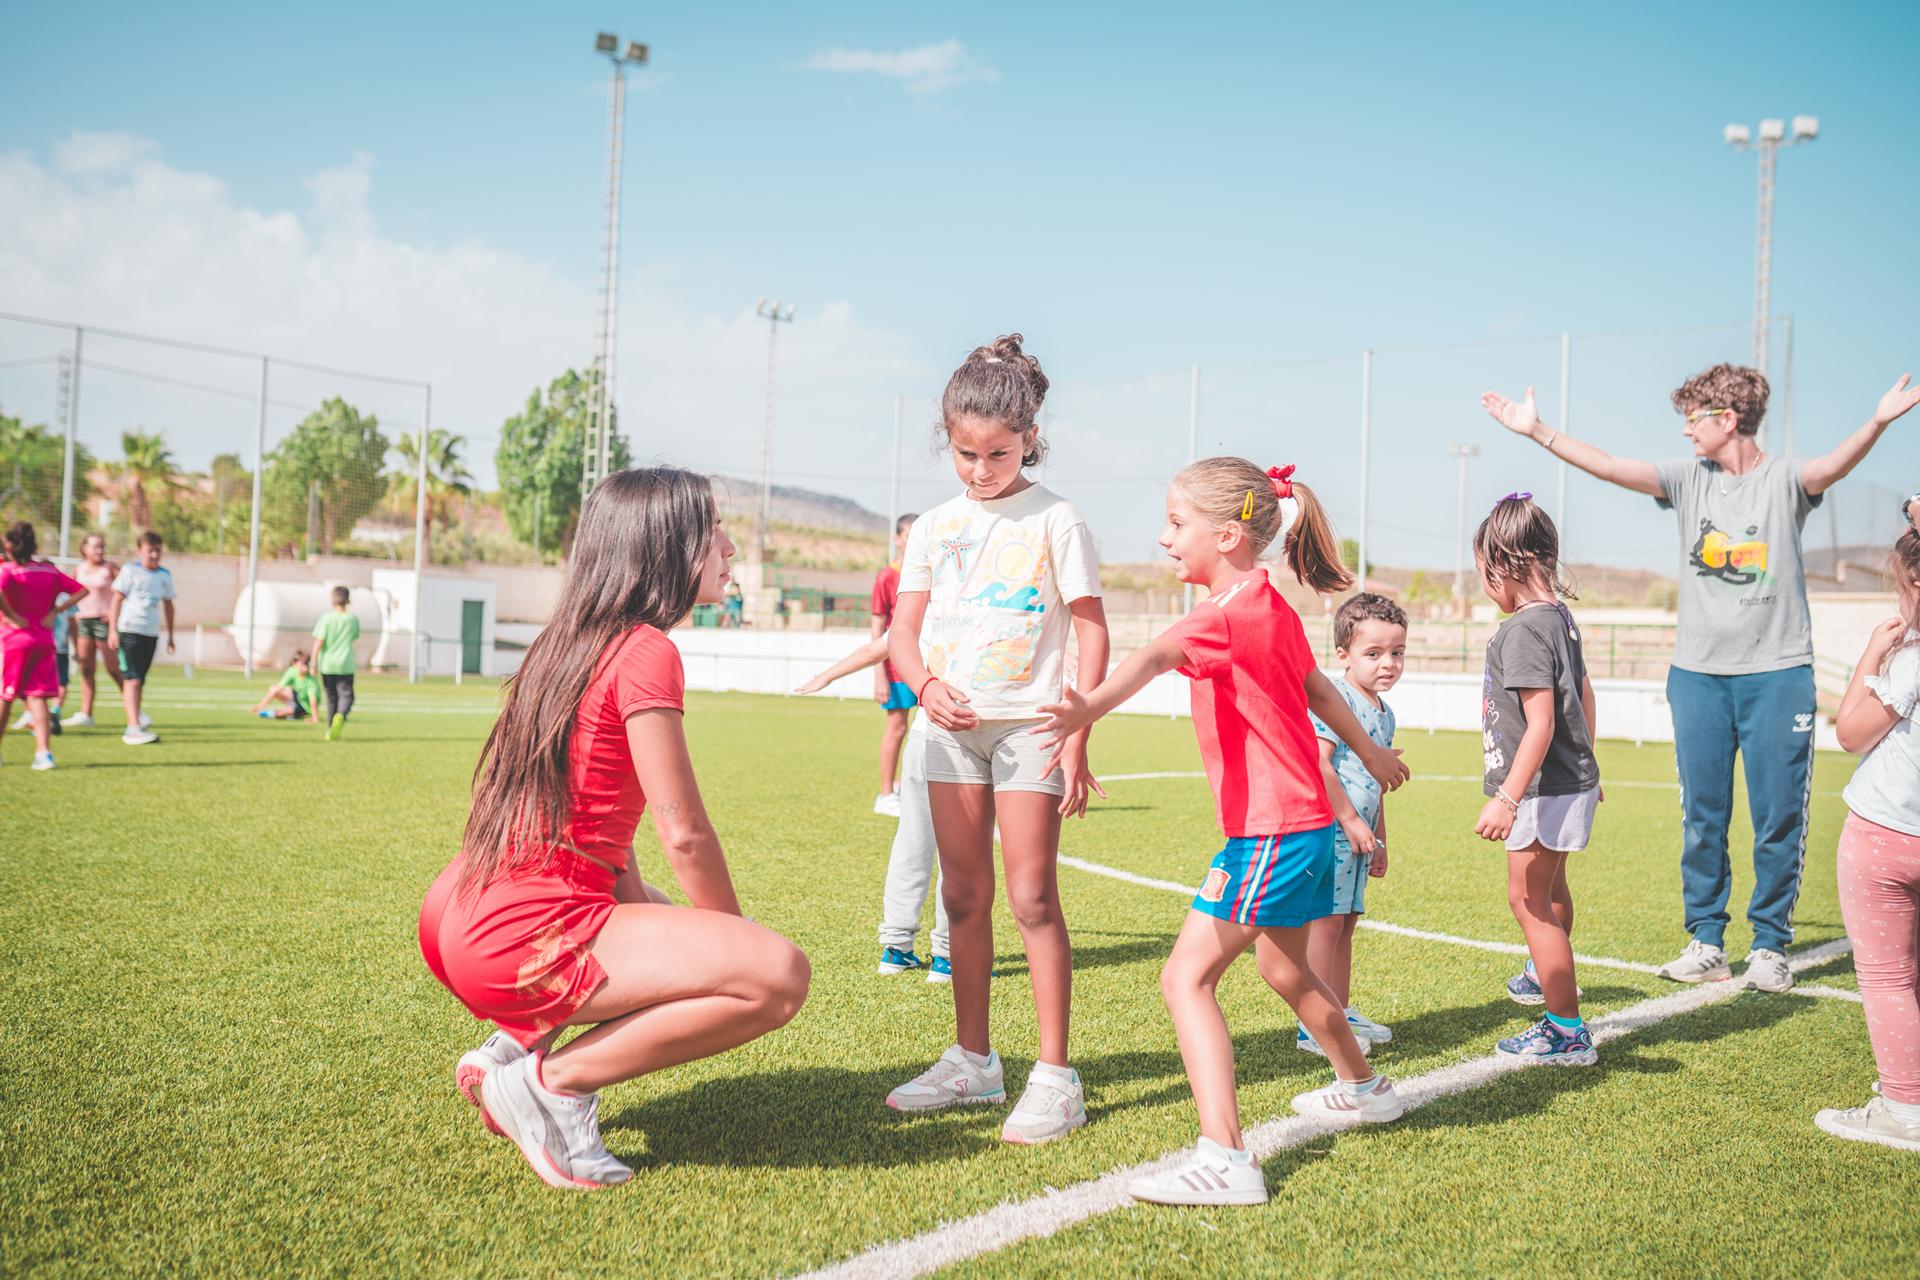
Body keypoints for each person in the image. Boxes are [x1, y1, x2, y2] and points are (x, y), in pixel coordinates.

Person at [417, 467, 810, 1190]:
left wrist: (693, 935)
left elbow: (607, 831)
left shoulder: (565, 642)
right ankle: (551, 1085)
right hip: (516, 934)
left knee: (654, 912)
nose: (728, 546)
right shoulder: (646, 650)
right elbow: (683, 831)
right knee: (777, 976)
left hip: (459, 910)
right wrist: (734, 938)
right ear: (666, 546)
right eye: (712, 530)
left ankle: (513, 1047)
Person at [1033, 459, 1410, 1206]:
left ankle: (1227, 1159)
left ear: (1228, 535)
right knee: (1284, 972)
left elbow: (1153, 656)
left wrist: (1087, 709)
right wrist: (1368, 751)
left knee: (1186, 978)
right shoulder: (1268, 602)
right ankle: (1366, 1088)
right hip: (1299, 828)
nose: (1165, 538)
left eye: (1177, 524)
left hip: (1271, 832)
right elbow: (1315, 686)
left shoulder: (1223, 614)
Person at [1482, 368, 1920, 992]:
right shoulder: (1688, 480)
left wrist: (1876, 421)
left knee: (1777, 818)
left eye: (1694, 417)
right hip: (1697, 677)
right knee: (1703, 818)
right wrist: (1538, 431)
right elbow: (1610, 466)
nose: (1686, 430)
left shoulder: (1784, 479)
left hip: (1777, 674)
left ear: (1729, 419)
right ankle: (1707, 940)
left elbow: (1832, 467)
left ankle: (1770, 945)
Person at [881, 334, 1109, 1145]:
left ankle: (1056, 1076)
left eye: (999, 454)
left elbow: (1092, 631)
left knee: (1032, 898)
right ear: (946, 439)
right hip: (949, 734)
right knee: (962, 897)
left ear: (1030, 439)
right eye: (965, 453)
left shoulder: (1057, 518)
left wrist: (1077, 734)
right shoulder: (933, 528)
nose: (981, 470)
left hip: (1032, 729)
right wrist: (924, 686)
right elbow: (902, 633)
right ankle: (974, 1062)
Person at [1468, 495, 1602, 1066]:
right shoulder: (1561, 618)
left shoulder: (1523, 629)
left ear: (1506, 564)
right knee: (1551, 891)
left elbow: (1541, 722)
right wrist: (1589, 765)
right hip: (1568, 781)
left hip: (1541, 789)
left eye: (1483, 572)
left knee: (1528, 903)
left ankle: (1566, 1030)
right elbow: (1585, 694)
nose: (1484, 585)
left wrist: (1507, 797)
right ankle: (1540, 973)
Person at [1820, 525, 1920, 1152]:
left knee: (1888, 978)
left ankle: (1905, 1109)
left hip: (1888, 833)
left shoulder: (1909, 661)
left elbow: (1850, 732)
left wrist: (1870, 657)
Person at [796, 634, 952, 979]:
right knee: (959, 850)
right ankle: (948, 954)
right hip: (962, 742)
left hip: (923, 738)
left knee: (911, 842)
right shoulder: (970, 609)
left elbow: (874, 649)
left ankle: (897, 949)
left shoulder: (921, 612)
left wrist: (826, 676)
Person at [1299, 592, 1407, 1056]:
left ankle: (1338, 1011)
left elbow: (1376, 781)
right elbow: (1319, 763)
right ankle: (1314, 1025)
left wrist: (1380, 838)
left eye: (1397, 652)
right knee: (1326, 926)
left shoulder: (1385, 713)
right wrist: (1348, 820)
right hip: (1331, 834)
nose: (1389, 664)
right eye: (1374, 653)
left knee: (1346, 925)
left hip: (1360, 839)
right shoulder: (1336, 699)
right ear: (1343, 655)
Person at [0, 522, 86, 771]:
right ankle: (44, 754)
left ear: (9, 546)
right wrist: (56, 611)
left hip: (15, 641)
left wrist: (12, 616)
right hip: (43, 640)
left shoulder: (9, 571)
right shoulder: (48, 571)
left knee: (5, 696)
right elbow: (82, 590)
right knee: (37, 696)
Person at [869, 513, 920, 817]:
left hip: (926, 665)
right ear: (898, 539)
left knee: (927, 730)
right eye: (909, 535)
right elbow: (877, 628)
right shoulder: (887, 577)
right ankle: (886, 794)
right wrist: (879, 675)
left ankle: (905, 785)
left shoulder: (928, 573)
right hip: (896, 668)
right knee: (897, 727)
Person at [108, 530, 174, 746]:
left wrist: (171, 635)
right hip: (129, 631)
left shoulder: (164, 575)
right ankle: (132, 728)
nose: (154, 555)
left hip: (150, 633)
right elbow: (116, 600)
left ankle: (136, 720)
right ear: (139, 551)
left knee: (140, 680)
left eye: (157, 551)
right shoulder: (130, 571)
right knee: (132, 679)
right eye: (149, 551)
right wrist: (113, 630)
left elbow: (168, 605)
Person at [65, 532, 128, 728]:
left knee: (113, 669)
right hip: (83, 622)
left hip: (104, 623)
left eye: (102, 546)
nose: (100, 550)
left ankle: (134, 711)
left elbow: (129, 589)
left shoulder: (110, 568)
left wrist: (113, 613)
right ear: (84, 549)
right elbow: (65, 590)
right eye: (95, 546)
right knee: (86, 668)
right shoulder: (79, 569)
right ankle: (86, 714)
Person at [312, 585, 360, 741]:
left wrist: (313, 661)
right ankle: (340, 715)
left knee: (331, 697)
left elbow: (319, 641)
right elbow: (354, 637)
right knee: (347, 696)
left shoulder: (326, 618)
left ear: (332, 600)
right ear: (348, 600)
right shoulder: (352, 619)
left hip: (327, 664)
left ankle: (329, 729)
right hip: (345, 664)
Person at [254, 649, 324, 727]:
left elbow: (313, 700)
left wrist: (315, 717)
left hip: (305, 706)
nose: (295, 663)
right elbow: (278, 688)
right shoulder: (292, 671)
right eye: (295, 661)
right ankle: (263, 710)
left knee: (278, 714)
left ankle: (299, 713)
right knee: (273, 689)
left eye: (301, 663)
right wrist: (262, 705)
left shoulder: (311, 680)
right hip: (297, 697)